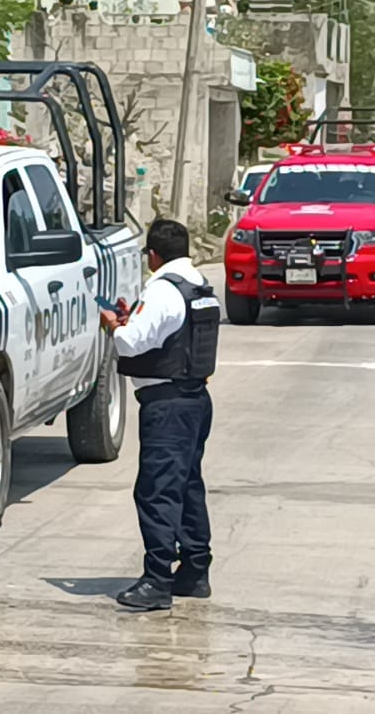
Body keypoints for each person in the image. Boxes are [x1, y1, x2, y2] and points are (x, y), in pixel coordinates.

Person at [100, 218, 221, 611]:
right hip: (194, 400)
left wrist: (114, 328)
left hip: (167, 406)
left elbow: (132, 343)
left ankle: (157, 580)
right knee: (186, 485)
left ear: (153, 255)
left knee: (157, 492)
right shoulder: (199, 287)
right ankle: (194, 570)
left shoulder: (163, 291)